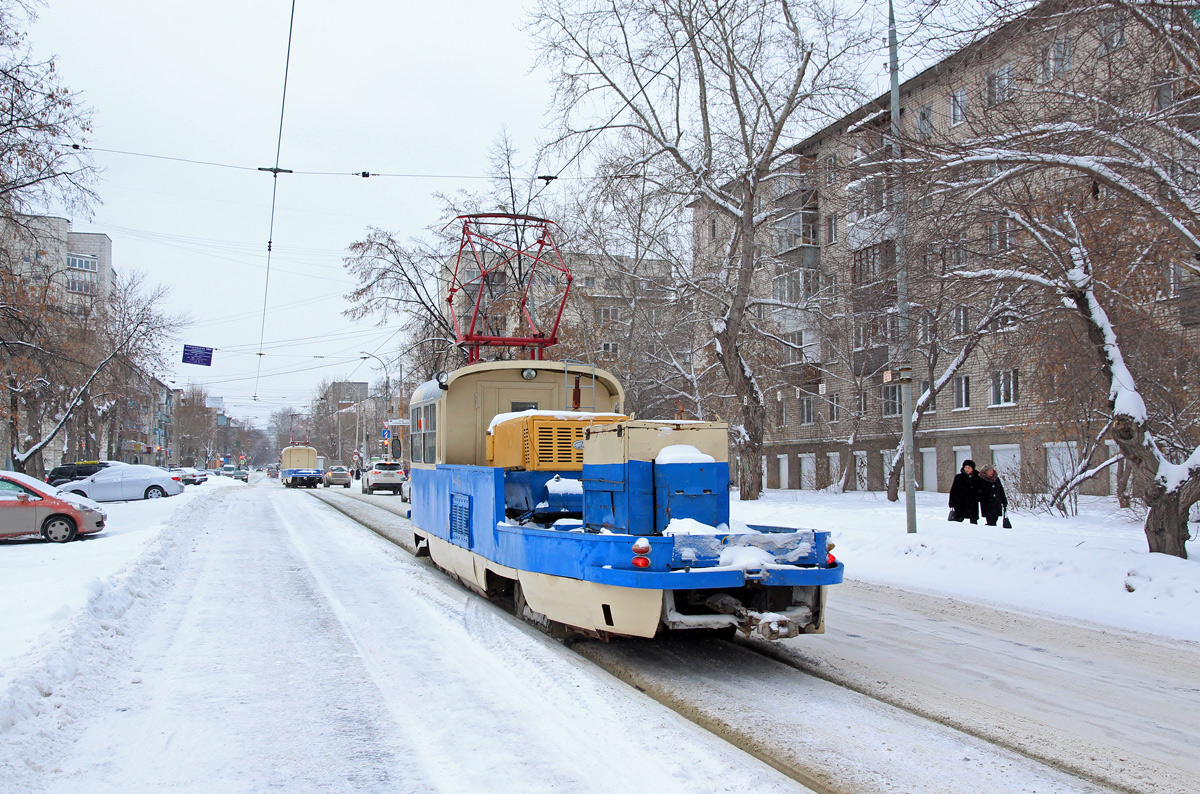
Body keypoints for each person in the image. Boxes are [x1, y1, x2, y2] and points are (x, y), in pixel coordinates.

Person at [949, 459, 980, 524]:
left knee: (973, 521)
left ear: (972, 468)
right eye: (965, 467)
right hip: (960, 502)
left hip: (972, 503)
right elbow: (953, 491)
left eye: (969, 467)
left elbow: (980, 489)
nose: (967, 469)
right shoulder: (959, 477)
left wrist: (978, 496)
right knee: (958, 520)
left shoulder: (977, 477)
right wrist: (951, 502)